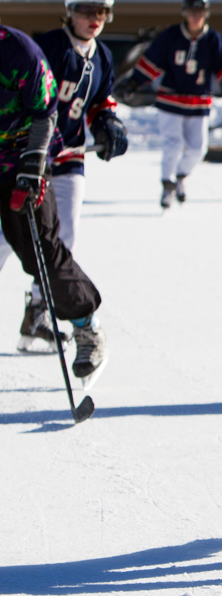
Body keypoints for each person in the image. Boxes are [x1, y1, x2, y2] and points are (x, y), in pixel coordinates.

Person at [2, 0, 128, 354]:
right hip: (15, 158)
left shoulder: (98, 56)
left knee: (55, 241)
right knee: (14, 242)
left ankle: (45, 311)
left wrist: (108, 122)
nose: (95, 19)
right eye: (87, 11)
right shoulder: (51, 46)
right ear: (70, 11)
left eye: (101, 12)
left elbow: (99, 100)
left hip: (61, 152)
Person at [0, 24, 107, 383]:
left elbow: (45, 111)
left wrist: (33, 163)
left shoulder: (19, 51)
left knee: (41, 251)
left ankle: (86, 326)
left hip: (22, 157)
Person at [119, 0, 222, 209]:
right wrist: (133, 83)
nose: (196, 16)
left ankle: (180, 177)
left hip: (198, 102)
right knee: (172, 145)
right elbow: (152, 62)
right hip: (171, 100)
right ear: (184, 12)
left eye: (200, 12)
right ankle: (167, 186)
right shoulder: (171, 36)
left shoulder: (213, 39)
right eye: (192, 11)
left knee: (197, 148)